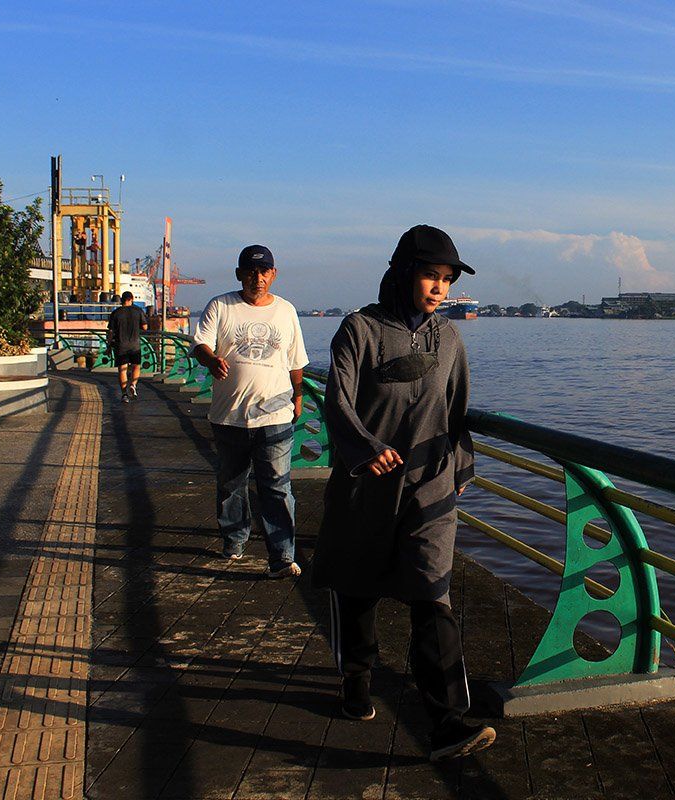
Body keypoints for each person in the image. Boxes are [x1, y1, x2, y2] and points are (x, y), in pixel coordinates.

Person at [313, 224, 494, 762]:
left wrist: (459, 471)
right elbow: (337, 402)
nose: (439, 289)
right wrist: (364, 448)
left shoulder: (450, 340)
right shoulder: (359, 330)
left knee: (432, 593)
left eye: (446, 280)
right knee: (357, 587)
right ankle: (357, 678)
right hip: (366, 486)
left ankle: (447, 723)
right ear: (401, 274)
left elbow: (458, 411)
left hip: (429, 486)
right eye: (430, 276)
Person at [192, 245, 308, 578]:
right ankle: (234, 540)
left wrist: (298, 396)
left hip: (275, 415)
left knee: (276, 486)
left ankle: (282, 557)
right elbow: (200, 344)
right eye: (251, 271)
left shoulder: (286, 311)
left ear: (273, 274)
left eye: (265, 271)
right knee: (232, 483)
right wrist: (211, 360)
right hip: (229, 415)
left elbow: (296, 361)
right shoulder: (220, 306)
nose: (258, 278)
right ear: (240, 273)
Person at [106, 291, 147, 402]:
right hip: (135, 345)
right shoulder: (138, 311)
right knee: (136, 366)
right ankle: (133, 385)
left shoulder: (116, 313)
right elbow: (145, 327)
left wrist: (109, 346)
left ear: (121, 300)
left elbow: (110, 331)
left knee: (122, 370)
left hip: (120, 345)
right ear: (131, 299)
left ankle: (124, 394)